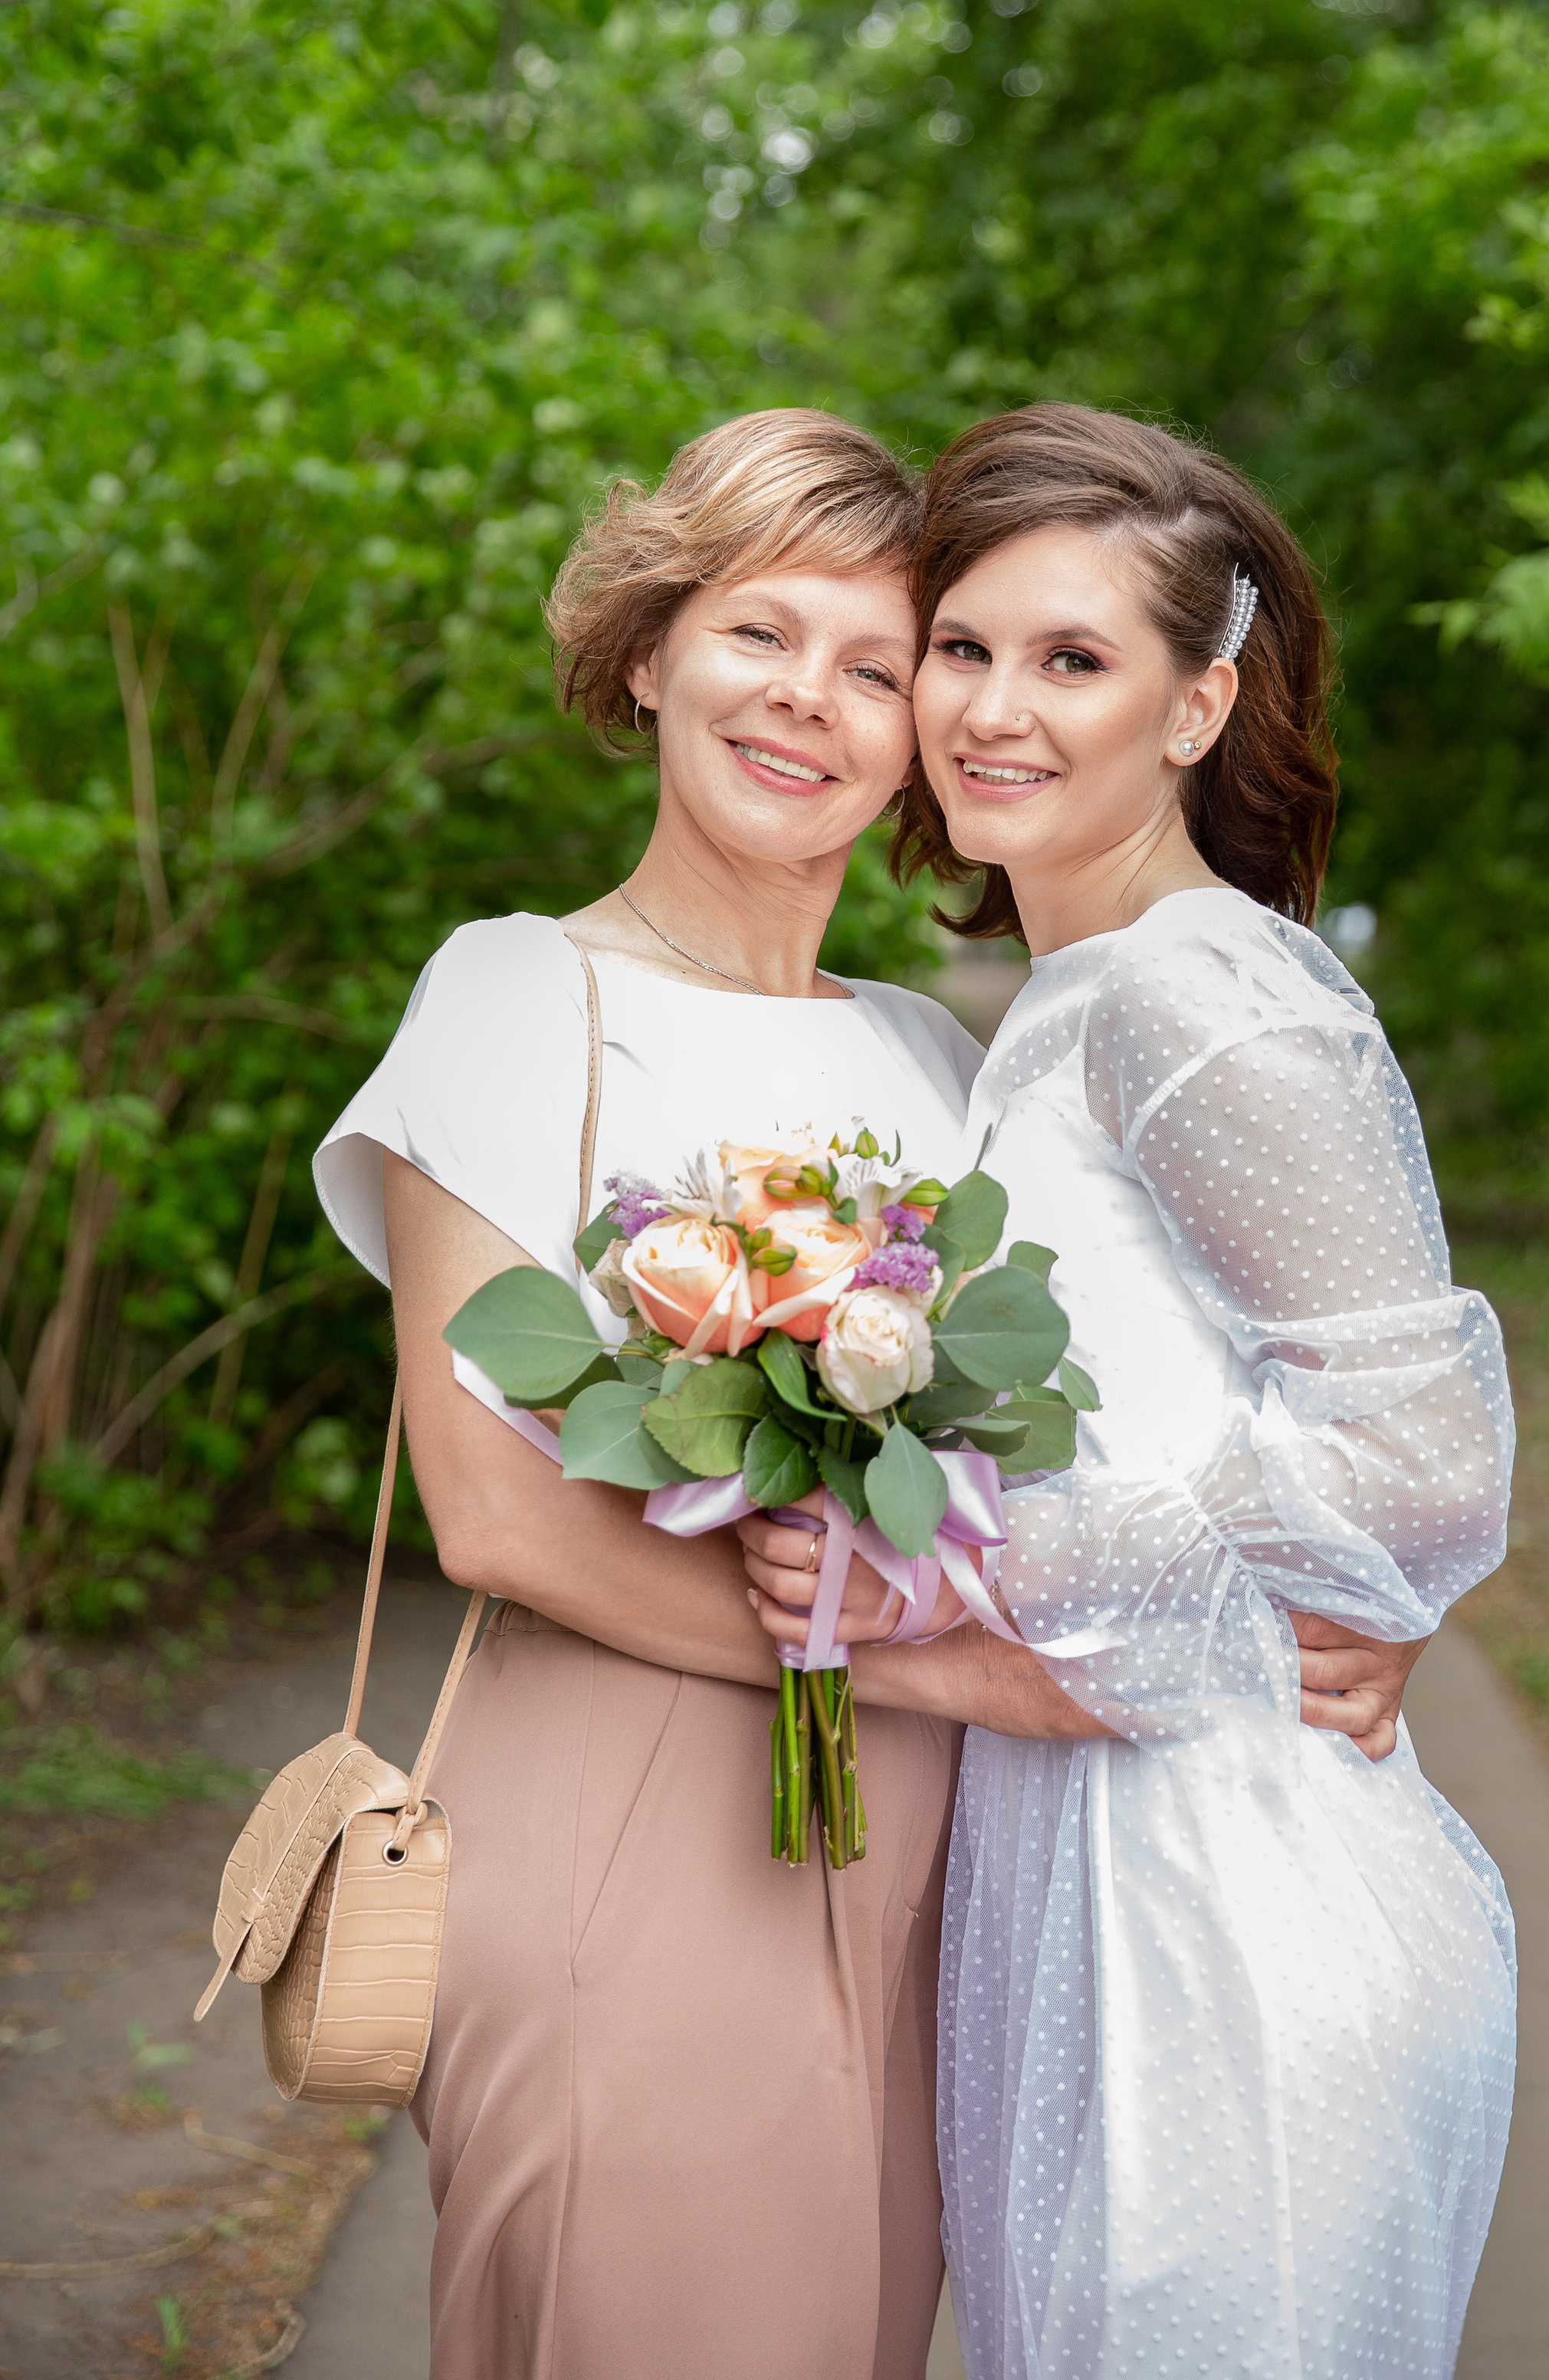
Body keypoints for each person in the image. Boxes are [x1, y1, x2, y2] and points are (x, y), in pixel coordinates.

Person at [312, 406, 1421, 2380]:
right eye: (755, 635)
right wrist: (929, 1667)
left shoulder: (934, 1052)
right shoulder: (514, 991)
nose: (808, 703)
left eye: (877, 664)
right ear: (647, 654)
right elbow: (489, 1512)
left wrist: (1295, 1608)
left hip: (947, 1857)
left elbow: (1158, 1413)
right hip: (642, 1802)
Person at [750, 403, 1515, 2380]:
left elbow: (1416, 1456)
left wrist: (925, 1608)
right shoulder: (1067, 997)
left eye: (1072, 659)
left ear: (1195, 708)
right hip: (1094, 1861)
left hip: (1228, 1900)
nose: (991, 709)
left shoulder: (1200, 989)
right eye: (966, 649)